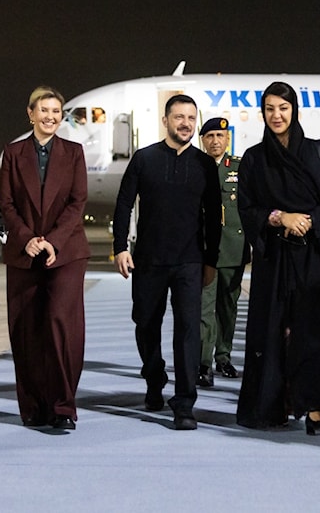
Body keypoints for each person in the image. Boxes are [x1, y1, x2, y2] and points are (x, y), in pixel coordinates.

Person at [236, 81, 320, 434]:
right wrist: (278, 217)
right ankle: (269, 408)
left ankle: (314, 409)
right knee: (269, 333)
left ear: (294, 110)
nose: (276, 115)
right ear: (262, 113)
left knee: (312, 333)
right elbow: (247, 206)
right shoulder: (254, 158)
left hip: (312, 258)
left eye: (283, 108)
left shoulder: (317, 151)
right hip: (274, 259)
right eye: (270, 109)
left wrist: (310, 221)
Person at [113, 94, 221, 431]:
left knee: (189, 332)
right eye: (179, 117)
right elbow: (124, 203)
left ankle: (185, 403)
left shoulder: (204, 165)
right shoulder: (144, 159)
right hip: (149, 260)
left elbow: (214, 217)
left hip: (190, 261)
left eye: (191, 117)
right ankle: (154, 377)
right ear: (165, 121)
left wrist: (211, 261)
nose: (186, 123)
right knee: (146, 325)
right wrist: (120, 247)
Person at [0, 86, 90, 430]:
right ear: (31, 114)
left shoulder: (74, 152)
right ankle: (34, 408)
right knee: (26, 331)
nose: (51, 117)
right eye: (44, 110)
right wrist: (27, 240)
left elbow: (76, 203)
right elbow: (6, 203)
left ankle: (63, 406)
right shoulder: (13, 153)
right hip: (25, 253)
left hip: (65, 252)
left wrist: (51, 241)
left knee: (61, 327)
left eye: (56, 111)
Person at [196, 117, 250, 387]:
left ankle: (223, 356)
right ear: (202, 140)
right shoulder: (194, 166)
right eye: (210, 136)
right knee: (205, 308)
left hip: (233, 248)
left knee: (228, 308)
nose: (215, 141)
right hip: (204, 250)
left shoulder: (239, 168)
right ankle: (204, 363)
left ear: (227, 139)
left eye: (220, 135)